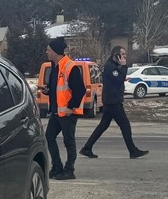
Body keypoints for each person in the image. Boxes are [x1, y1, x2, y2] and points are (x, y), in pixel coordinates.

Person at [80, 46, 148, 159]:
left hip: (111, 100)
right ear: (116, 55)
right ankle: (132, 151)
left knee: (103, 125)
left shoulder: (114, 66)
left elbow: (117, 79)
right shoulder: (110, 67)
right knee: (125, 125)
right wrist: (124, 66)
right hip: (113, 101)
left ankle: (87, 148)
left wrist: (122, 71)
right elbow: (119, 79)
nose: (125, 56)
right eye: (123, 54)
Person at [39, 37, 86, 180]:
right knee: (49, 137)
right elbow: (58, 89)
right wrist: (47, 90)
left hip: (67, 113)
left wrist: (71, 107)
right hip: (57, 112)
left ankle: (69, 170)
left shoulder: (70, 67)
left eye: (48, 50)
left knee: (68, 141)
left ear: (55, 52)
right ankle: (57, 167)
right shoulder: (55, 66)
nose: (46, 52)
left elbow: (80, 90)